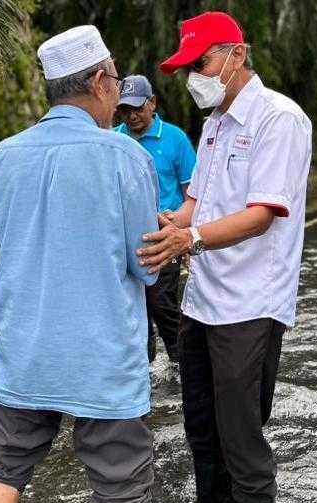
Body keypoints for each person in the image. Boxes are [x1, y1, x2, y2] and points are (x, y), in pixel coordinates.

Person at [0, 26, 160, 503]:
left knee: (2, 476)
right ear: (99, 82)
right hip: (101, 357)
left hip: (25, 352)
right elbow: (144, 260)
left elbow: (15, 244)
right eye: (115, 78)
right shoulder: (124, 155)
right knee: (119, 495)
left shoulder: (3, 155)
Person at [140, 11, 312, 503]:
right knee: (200, 423)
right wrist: (173, 223)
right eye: (187, 66)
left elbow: (262, 215)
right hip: (203, 300)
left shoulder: (278, 119)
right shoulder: (214, 123)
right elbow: (201, 201)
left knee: (241, 431)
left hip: (252, 302)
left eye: (201, 62)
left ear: (236, 54)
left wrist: (189, 237)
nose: (193, 75)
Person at [114, 75, 197, 364]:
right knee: (135, 309)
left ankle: (180, 361)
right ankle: (143, 366)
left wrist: (182, 228)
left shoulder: (174, 138)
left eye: (137, 107)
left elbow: (194, 195)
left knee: (161, 303)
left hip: (164, 236)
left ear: (153, 104)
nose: (132, 115)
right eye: (125, 109)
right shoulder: (114, 141)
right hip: (125, 240)